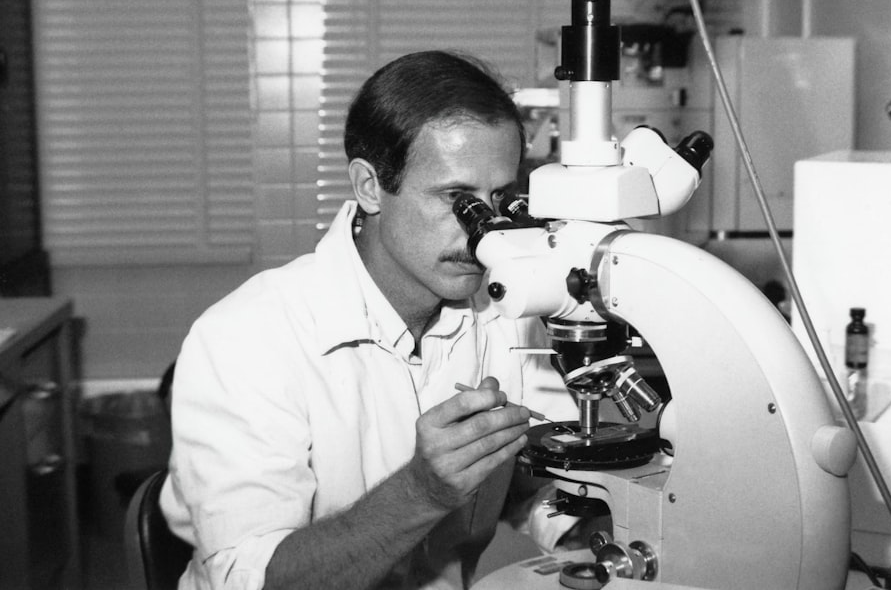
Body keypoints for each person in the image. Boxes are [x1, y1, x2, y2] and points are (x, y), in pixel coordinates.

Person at [161, 50, 578, 590]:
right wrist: (422, 492)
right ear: (368, 186)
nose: (486, 233)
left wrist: (583, 526)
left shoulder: (506, 311)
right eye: (458, 199)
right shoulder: (246, 339)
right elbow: (253, 581)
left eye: (499, 199)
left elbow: (537, 484)